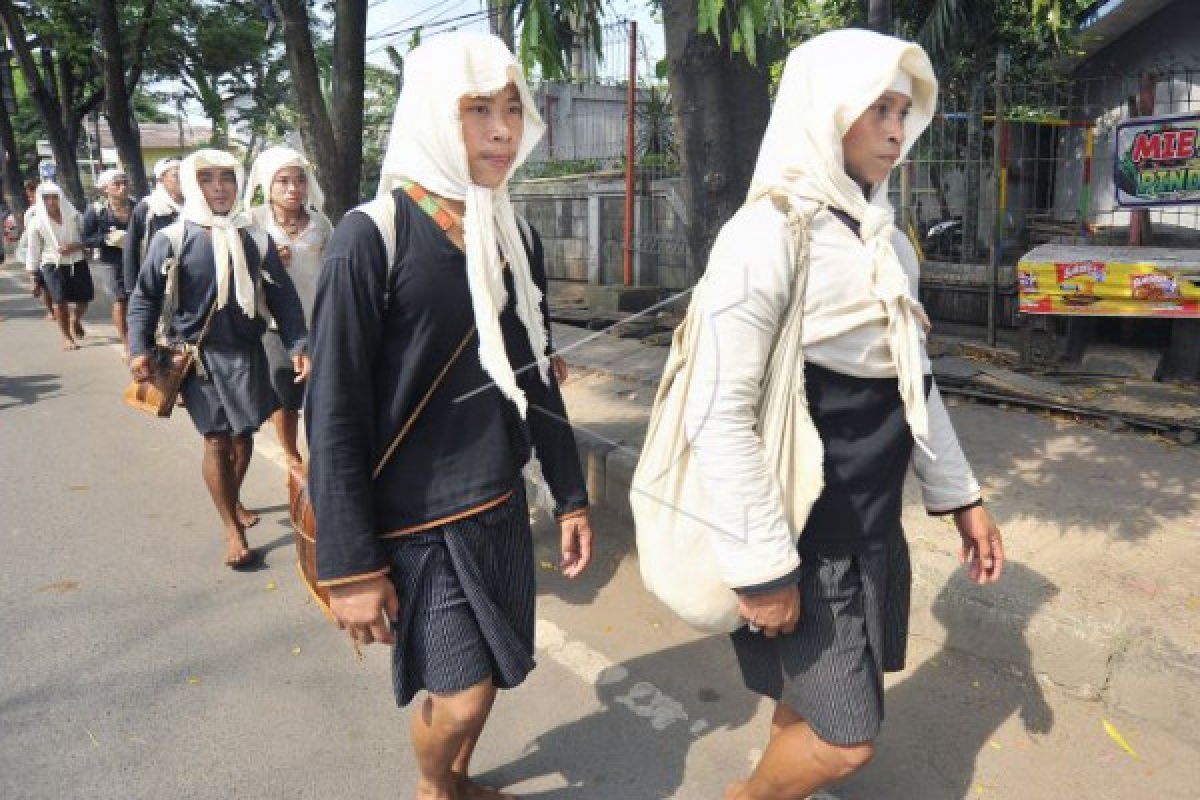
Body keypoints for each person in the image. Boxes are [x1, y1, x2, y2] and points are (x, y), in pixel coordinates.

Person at [676, 30, 1006, 800]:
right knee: (847, 741)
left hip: (870, 527)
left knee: (806, 700)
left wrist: (963, 498)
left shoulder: (887, 241)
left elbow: (913, 384)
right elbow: (718, 412)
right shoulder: (763, 237)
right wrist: (762, 568)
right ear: (825, 114)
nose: (896, 130)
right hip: (801, 535)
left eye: (902, 110)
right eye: (876, 110)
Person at [306, 33, 593, 800]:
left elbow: (534, 374)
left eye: (511, 107)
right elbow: (330, 413)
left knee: (493, 673)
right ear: (435, 117)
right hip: (412, 523)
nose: (503, 129)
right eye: (477, 110)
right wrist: (351, 567)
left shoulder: (513, 233)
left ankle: (458, 777)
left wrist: (569, 493)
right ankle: (435, 790)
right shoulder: (370, 240)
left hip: (497, 501)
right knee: (460, 692)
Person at [126, 150, 309, 570]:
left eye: (227, 177)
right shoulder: (172, 239)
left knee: (243, 437)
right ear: (194, 185)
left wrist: (299, 345)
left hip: (248, 355)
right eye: (208, 178)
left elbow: (283, 297)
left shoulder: (254, 238)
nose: (220, 186)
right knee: (216, 439)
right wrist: (138, 347)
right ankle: (232, 529)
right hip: (199, 360)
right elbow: (145, 298)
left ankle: (232, 496)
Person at [243, 146, 332, 467]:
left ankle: (320, 456)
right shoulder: (251, 222)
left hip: (319, 322)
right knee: (284, 392)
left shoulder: (321, 224)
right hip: (274, 325)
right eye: (283, 181)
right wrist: (261, 263)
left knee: (322, 392)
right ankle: (292, 455)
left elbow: (333, 269)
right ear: (267, 184)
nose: (293, 188)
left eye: (299, 180)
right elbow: (233, 274)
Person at [25, 182, 93, 351]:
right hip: (51, 264)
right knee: (59, 300)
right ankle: (66, 337)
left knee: (84, 299)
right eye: (46, 198)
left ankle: (75, 319)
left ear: (60, 197)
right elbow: (33, 249)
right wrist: (33, 276)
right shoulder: (36, 222)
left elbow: (87, 238)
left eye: (54, 197)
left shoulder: (75, 216)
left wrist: (74, 246)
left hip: (77, 261)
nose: (51, 202)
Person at [81, 169, 135, 357]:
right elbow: (86, 238)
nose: (122, 188)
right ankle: (126, 342)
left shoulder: (138, 206)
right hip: (110, 261)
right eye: (117, 184)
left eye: (125, 183)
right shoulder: (96, 211)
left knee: (138, 299)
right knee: (119, 300)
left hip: (135, 258)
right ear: (105, 189)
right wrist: (107, 239)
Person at [123, 157, 183, 296]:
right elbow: (131, 247)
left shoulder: (196, 207)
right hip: (157, 278)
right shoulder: (148, 208)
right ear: (161, 179)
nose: (182, 179)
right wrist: (132, 287)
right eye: (176, 175)